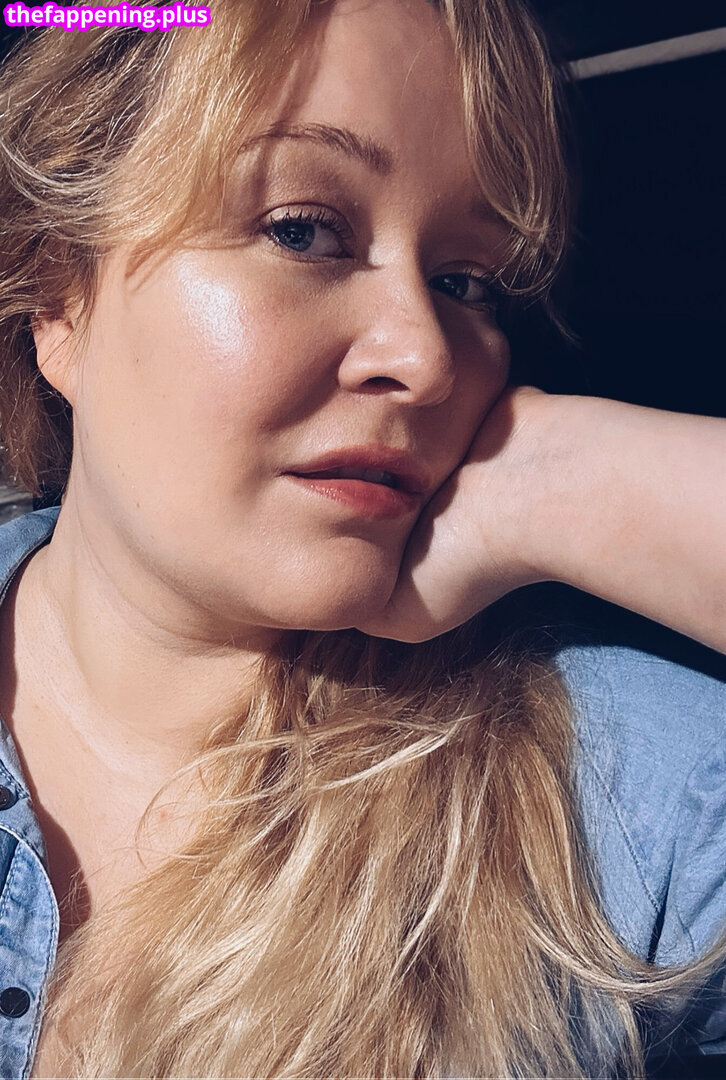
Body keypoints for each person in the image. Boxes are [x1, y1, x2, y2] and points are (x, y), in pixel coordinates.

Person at [0, 0, 724, 1076]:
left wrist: (575, 481)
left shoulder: (611, 798)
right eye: (302, 229)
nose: (427, 358)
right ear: (60, 293)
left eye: (466, 282)